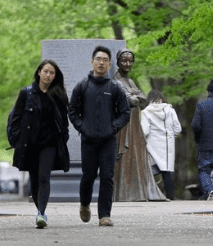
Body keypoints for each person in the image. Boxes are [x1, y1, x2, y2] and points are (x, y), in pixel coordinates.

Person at [68, 46, 131, 227]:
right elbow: (73, 111)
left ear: (109, 64)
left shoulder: (114, 88)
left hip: (108, 141)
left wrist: (113, 128)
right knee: (88, 176)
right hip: (88, 140)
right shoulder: (82, 86)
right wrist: (82, 127)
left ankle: (104, 215)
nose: (101, 62)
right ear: (92, 62)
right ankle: (85, 204)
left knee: (107, 176)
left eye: (105, 60)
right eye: (98, 59)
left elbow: (125, 113)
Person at [7, 60, 70, 229]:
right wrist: (15, 141)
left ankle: (41, 213)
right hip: (30, 143)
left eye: (52, 73)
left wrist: (63, 138)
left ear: (55, 76)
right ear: (39, 72)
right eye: (46, 71)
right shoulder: (26, 93)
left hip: (49, 143)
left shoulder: (58, 95)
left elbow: (64, 122)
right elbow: (16, 119)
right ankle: (40, 211)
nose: (48, 75)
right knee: (33, 180)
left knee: (44, 177)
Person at [112, 49, 166, 202]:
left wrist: (135, 96)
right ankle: (126, 192)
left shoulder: (129, 81)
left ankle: (137, 191)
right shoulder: (116, 80)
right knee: (126, 157)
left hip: (135, 124)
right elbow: (133, 100)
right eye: (124, 61)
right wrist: (135, 97)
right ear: (118, 62)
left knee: (136, 156)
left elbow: (142, 97)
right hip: (125, 126)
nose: (127, 64)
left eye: (130, 61)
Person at [141, 89, 182, 200]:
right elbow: (178, 128)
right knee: (166, 172)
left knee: (151, 170)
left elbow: (145, 131)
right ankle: (170, 196)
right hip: (168, 145)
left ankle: (150, 195)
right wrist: (170, 135)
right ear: (161, 99)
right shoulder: (170, 110)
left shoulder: (146, 112)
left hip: (153, 144)